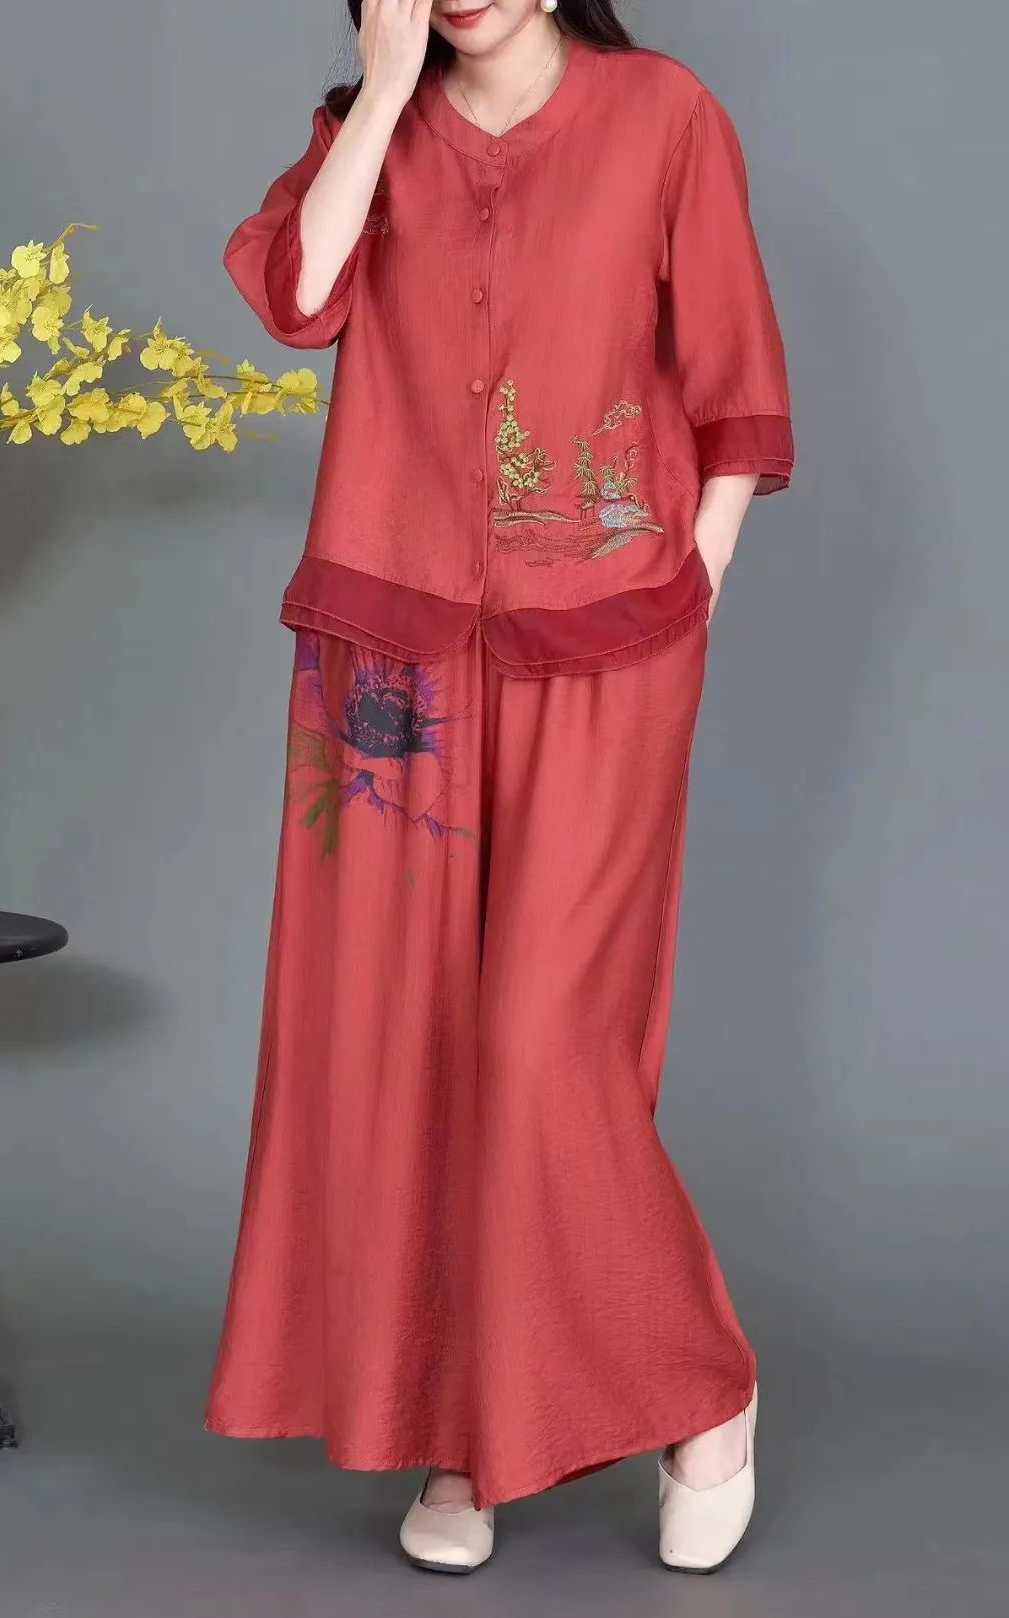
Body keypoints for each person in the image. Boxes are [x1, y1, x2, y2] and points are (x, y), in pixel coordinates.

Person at [205, 0, 793, 1576]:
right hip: (391, 667)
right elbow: (299, 298)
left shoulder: (663, 115)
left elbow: (735, 382)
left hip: (606, 647)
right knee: (408, 1047)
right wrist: (388, 85)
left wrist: (695, 588)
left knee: (544, 1045)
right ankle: (460, 1438)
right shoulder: (367, 133)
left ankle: (704, 1387)